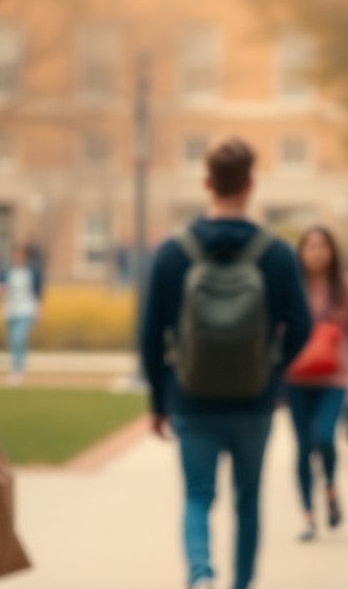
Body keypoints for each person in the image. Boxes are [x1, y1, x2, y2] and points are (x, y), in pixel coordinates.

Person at [139, 137, 312, 589]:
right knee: (248, 501)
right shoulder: (274, 253)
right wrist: (273, 374)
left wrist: (160, 400)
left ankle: (200, 574)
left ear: (206, 182)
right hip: (253, 399)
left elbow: (149, 333)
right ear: (251, 184)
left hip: (191, 396)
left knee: (197, 496)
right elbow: (301, 325)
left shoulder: (174, 252)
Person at [285, 226, 348, 543]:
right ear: (301, 252)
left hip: (334, 376)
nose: (317, 252)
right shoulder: (291, 285)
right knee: (303, 447)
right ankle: (308, 515)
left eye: (323, 246)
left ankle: (331, 487)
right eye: (310, 246)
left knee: (323, 437)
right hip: (295, 377)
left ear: (332, 251)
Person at [0, 245, 40, 386]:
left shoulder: (32, 272)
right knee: (12, 342)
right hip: (9, 311)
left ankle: (18, 370)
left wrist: (39, 311)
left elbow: (37, 293)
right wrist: (1, 291)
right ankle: (13, 368)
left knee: (19, 339)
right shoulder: (6, 271)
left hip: (26, 310)